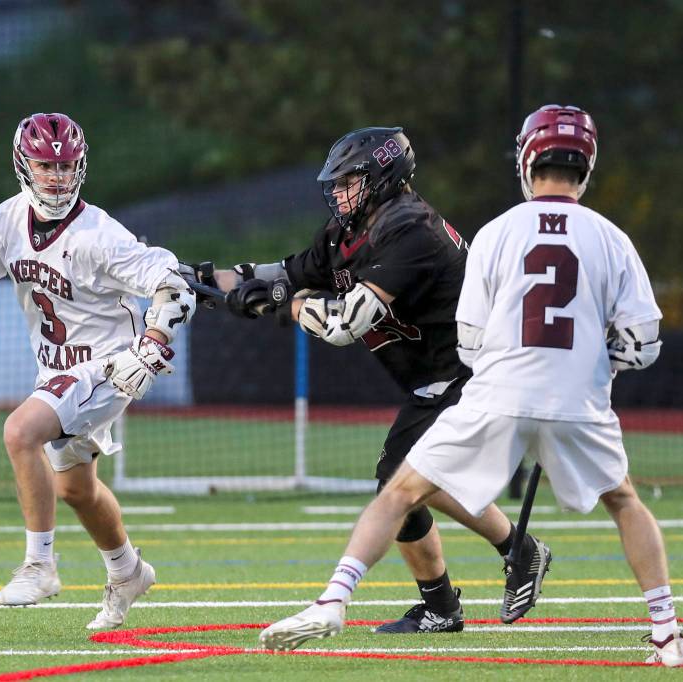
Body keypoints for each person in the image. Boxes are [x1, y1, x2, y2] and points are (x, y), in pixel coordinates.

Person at [258, 106, 683, 668]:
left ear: (526, 159)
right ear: (587, 166)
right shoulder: (612, 239)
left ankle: (332, 602)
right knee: (625, 501)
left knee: (399, 489)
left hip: (498, 393)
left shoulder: (497, 231)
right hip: (579, 398)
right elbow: (642, 345)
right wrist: (591, 367)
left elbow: (469, 340)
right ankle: (667, 634)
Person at [185, 126, 551, 635]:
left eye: (348, 181)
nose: (337, 193)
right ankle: (511, 553)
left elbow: (343, 323)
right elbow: (283, 273)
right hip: (435, 382)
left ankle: (449, 601)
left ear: (383, 176)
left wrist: (278, 305)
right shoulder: (346, 233)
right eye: (334, 184)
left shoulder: (412, 231)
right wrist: (205, 283)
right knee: (413, 481)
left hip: (475, 374)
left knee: (399, 482)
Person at [0, 112, 196, 630]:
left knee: (20, 431)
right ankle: (127, 570)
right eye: (46, 165)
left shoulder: (99, 235)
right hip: (56, 370)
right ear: (25, 165)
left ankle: (40, 565)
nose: (57, 177)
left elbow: (175, 284)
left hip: (111, 364)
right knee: (76, 490)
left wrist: (151, 346)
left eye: (66, 167)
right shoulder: (6, 220)